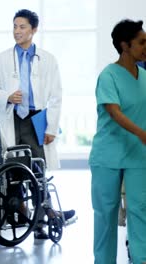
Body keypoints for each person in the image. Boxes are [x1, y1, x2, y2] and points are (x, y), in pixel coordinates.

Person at [0, 9, 75, 239]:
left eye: (22, 27)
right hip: (12, 118)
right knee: (13, 171)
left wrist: (51, 128)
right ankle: (17, 215)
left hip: (36, 120)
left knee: (39, 172)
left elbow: (56, 96)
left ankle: (42, 223)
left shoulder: (48, 59)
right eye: (14, 26)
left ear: (33, 30)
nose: (17, 31)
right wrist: (6, 96)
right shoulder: (1, 59)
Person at [89, 19, 146, 264]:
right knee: (106, 214)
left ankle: (141, 259)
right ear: (125, 45)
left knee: (140, 211)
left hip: (137, 155)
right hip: (108, 156)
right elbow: (114, 111)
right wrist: (142, 133)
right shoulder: (108, 75)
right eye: (141, 42)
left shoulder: (144, 76)